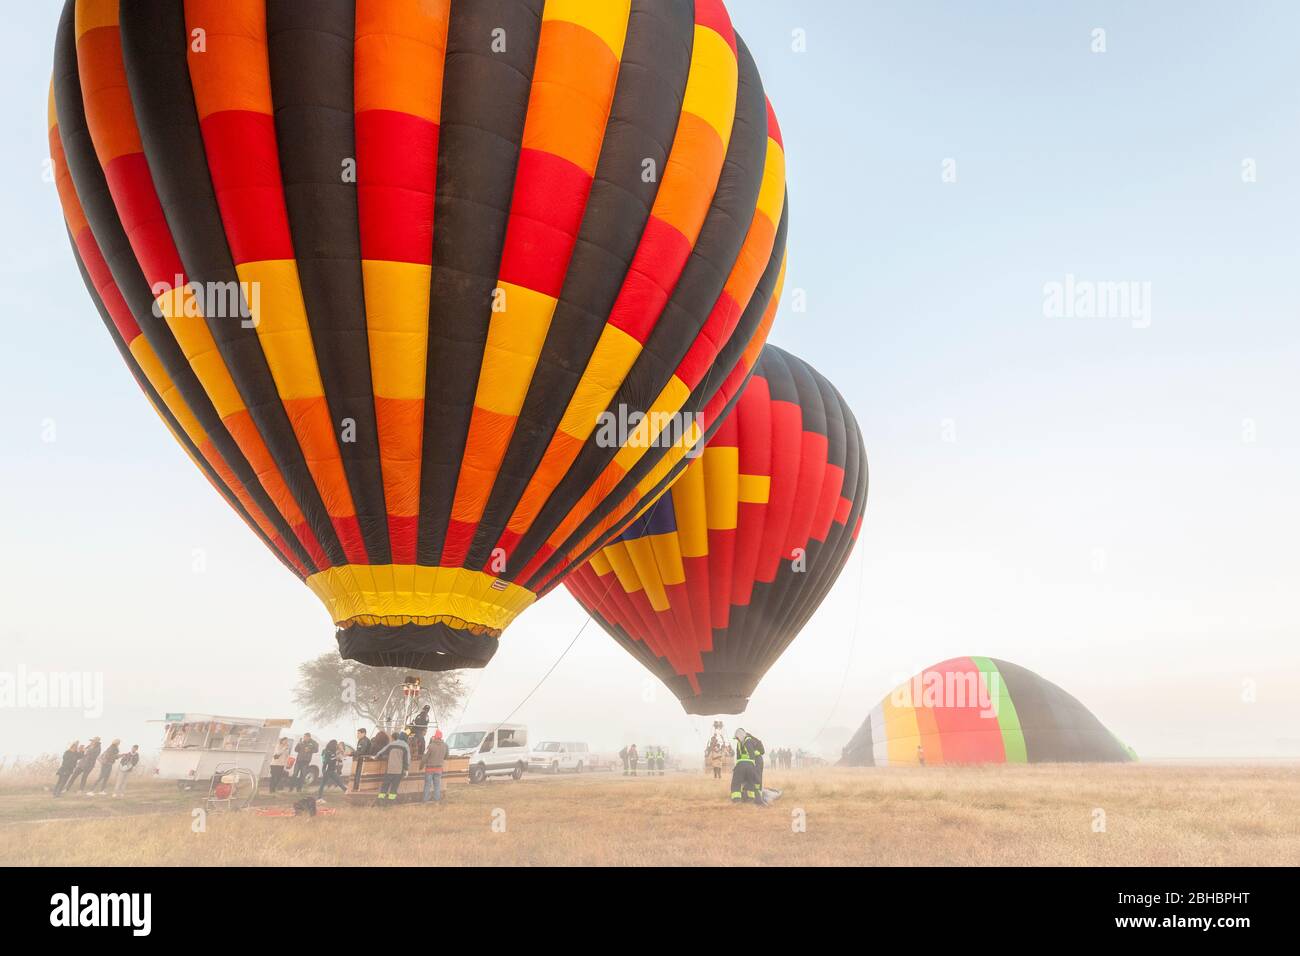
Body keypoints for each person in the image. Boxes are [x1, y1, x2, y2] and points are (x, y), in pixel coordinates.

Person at [730, 727, 767, 806]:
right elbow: (740, 756)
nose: (737, 739)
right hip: (751, 764)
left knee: (739, 782)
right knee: (752, 782)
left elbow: (750, 755)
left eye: (737, 738)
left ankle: (738, 800)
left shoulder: (747, 741)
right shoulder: (743, 742)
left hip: (751, 763)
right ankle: (753, 799)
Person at [373, 731, 411, 802]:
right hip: (398, 771)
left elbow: (382, 751)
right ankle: (390, 802)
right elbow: (407, 759)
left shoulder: (391, 744)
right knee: (394, 788)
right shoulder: (406, 746)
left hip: (389, 770)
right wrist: (406, 769)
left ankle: (380, 801)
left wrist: (375, 756)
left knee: (384, 787)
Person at [422, 728, 448, 803]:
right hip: (439, 769)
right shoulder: (445, 746)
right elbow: (446, 756)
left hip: (429, 769)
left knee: (427, 785)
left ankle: (425, 800)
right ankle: (437, 800)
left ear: (435, 737)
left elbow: (424, 757)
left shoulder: (430, 746)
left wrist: (421, 765)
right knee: (437, 785)